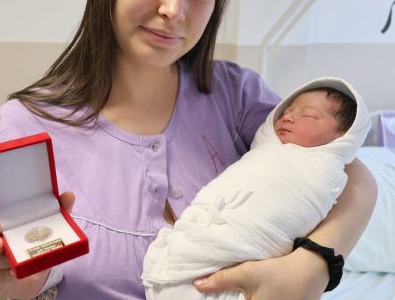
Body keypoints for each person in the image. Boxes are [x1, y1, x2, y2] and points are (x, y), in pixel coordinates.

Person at [0, 0, 378, 299]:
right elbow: (22, 273)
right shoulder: (27, 124)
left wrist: (313, 267)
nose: (175, 9)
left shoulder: (235, 96)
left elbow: (354, 178)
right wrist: (17, 292)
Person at [142, 79, 370, 300]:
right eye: (286, 111)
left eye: (308, 115)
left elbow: (361, 182)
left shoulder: (324, 168)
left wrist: (311, 267)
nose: (288, 116)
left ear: (344, 137)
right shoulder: (267, 148)